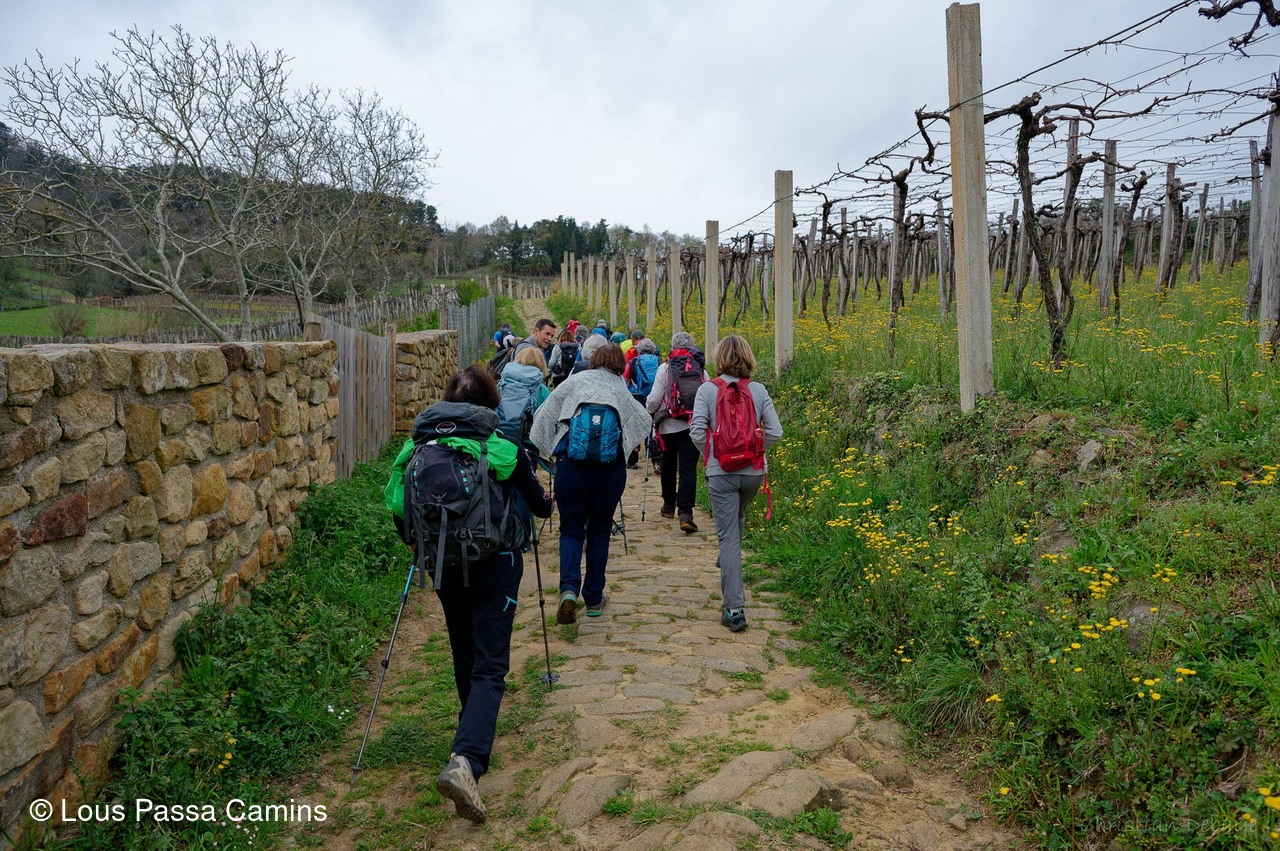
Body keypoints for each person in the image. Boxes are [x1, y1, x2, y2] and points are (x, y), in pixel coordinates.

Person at [398, 365, 553, 822]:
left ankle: (470, 734)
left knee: (464, 650)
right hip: (496, 564)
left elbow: (397, 509)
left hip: (443, 565)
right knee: (490, 665)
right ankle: (467, 759)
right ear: (491, 405)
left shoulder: (415, 449)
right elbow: (540, 506)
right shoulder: (501, 448)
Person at [530, 344, 650, 624]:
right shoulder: (619, 388)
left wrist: (552, 450)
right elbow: (643, 421)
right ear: (620, 364)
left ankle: (568, 591)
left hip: (572, 469)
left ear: (593, 360)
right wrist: (626, 447)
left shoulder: (574, 382)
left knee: (571, 531)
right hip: (610, 472)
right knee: (599, 531)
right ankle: (594, 598)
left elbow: (541, 419)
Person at [689, 335, 782, 633]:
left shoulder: (707, 389)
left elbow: (697, 432)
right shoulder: (758, 390)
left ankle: (734, 609)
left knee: (728, 537)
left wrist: (713, 456)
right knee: (737, 518)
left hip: (721, 473)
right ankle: (727, 559)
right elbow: (775, 432)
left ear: (719, 358)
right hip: (752, 473)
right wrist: (755, 453)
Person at [646, 331, 708, 534]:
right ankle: (686, 513)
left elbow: (654, 399)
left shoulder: (665, 367)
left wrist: (649, 410)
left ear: (673, 347)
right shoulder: (700, 367)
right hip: (692, 425)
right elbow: (707, 394)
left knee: (668, 463)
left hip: (668, 425)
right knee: (688, 467)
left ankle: (668, 506)